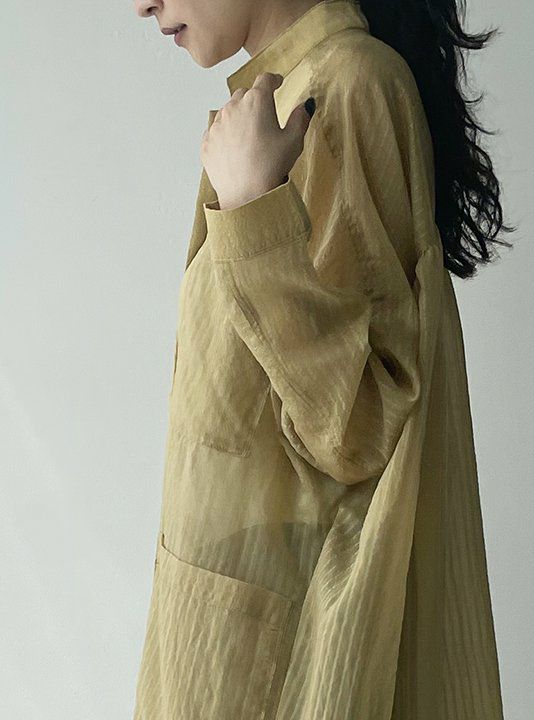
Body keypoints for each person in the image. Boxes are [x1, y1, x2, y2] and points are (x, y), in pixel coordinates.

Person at [131, 1, 514, 718]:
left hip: (290, 665)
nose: (140, 4)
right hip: (222, 646)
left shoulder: (352, 88)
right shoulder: (275, 103)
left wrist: (253, 207)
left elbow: (362, 425)